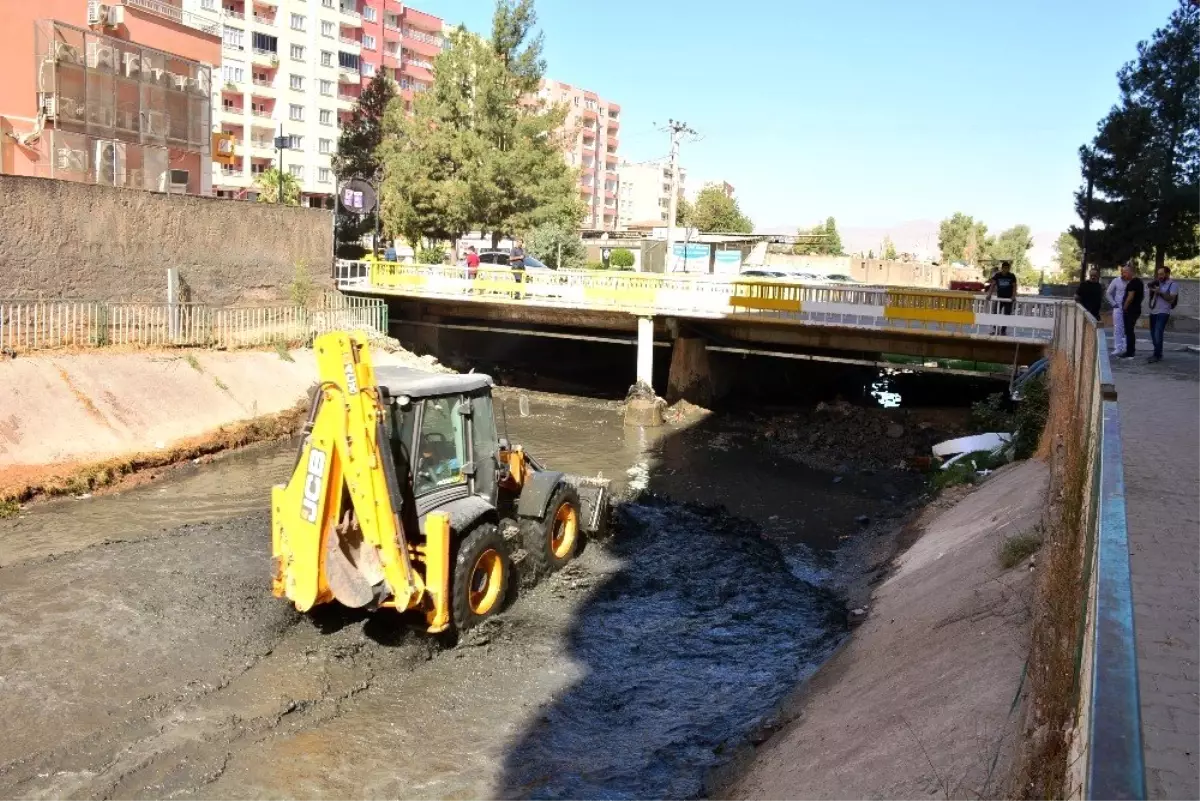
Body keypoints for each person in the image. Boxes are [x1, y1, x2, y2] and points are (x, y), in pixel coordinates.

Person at [1145, 265, 1180, 363]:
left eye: (1162, 274)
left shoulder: (1173, 284)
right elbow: (1149, 287)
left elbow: (1171, 299)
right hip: (1154, 311)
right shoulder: (1157, 283)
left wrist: (1159, 292)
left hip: (1163, 312)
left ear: (1167, 274)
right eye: (1158, 274)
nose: (1159, 276)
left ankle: (1157, 355)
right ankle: (1157, 353)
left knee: (1158, 333)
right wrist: (1151, 288)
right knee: (1153, 334)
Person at [1116, 263, 1144, 359]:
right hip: (1134, 309)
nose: (1123, 275)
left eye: (1124, 272)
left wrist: (1124, 307)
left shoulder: (1133, 283)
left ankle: (1130, 352)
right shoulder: (1138, 282)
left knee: (1129, 331)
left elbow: (1130, 297)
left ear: (1131, 272)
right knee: (1129, 331)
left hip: (1131, 310)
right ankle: (1130, 351)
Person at [985, 260, 1018, 335]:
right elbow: (992, 285)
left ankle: (1003, 330)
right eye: (1004, 268)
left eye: (1007, 268)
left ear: (1009, 269)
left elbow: (1014, 286)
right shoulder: (998, 275)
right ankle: (995, 329)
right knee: (995, 313)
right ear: (1002, 268)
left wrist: (1013, 296)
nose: (1006, 269)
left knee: (1007, 315)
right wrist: (989, 294)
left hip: (1008, 299)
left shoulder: (1012, 276)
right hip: (999, 298)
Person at [1105, 267, 1128, 356]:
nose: (1123, 274)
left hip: (1129, 309)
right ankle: (1118, 347)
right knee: (1118, 328)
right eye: (1122, 272)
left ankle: (1126, 347)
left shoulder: (1132, 281)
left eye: (1125, 272)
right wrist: (1113, 303)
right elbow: (1108, 293)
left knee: (1128, 328)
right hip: (1118, 308)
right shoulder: (1116, 281)